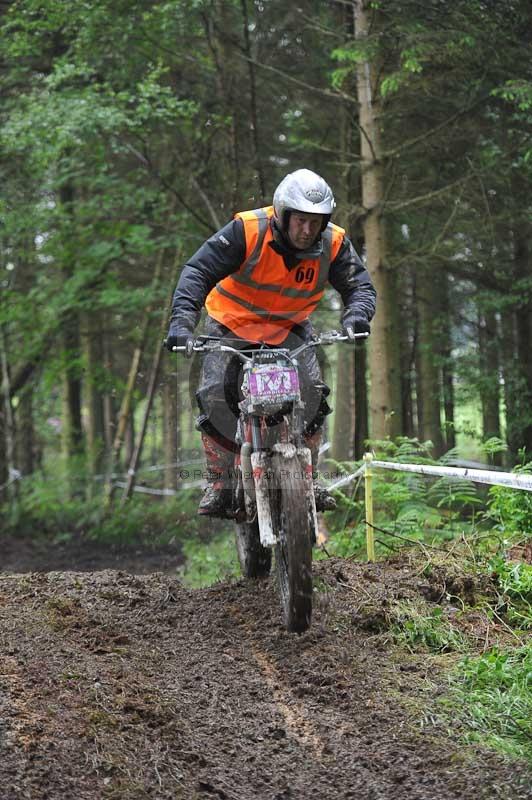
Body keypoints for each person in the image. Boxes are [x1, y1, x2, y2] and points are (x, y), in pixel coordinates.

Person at [166, 168, 376, 517]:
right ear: (282, 213)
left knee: (314, 394)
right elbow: (198, 272)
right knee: (215, 393)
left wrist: (357, 316)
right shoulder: (247, 231)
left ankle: (308, 478)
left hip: (290, 329)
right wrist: (182, 322)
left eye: (315, 222)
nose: (306, 230)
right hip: (231, 325)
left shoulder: (334, 243)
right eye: (300, 220)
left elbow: (360, 287)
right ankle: (220, 482)